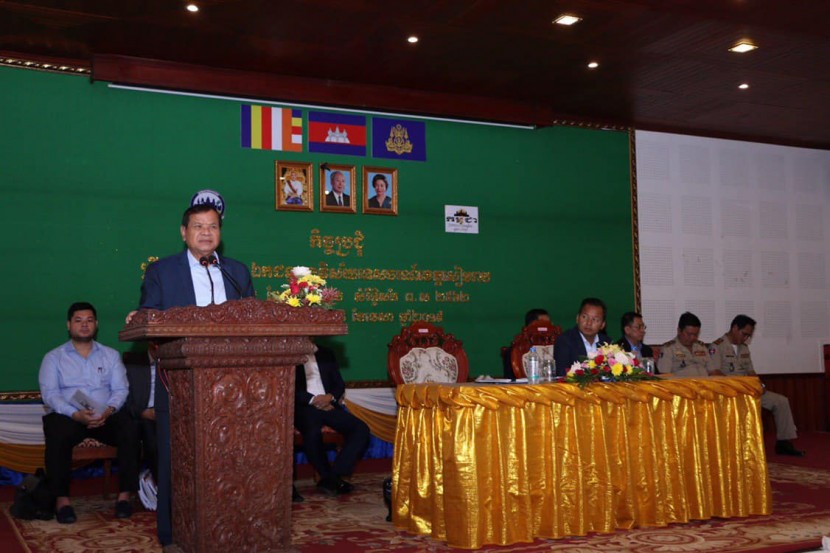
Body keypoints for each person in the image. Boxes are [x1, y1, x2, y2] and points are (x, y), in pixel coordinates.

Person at [136, 201, 255, 547]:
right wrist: (141, 317)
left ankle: (232, 527)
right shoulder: (162, 271)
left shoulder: (236, 272)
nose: (206, 233)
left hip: (232, 383)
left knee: (231, 458)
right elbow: (149, 316)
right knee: (176, 459)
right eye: (198, 226)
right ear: (184, 232)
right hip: (179, 382)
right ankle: (173, 535)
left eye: (213, 226)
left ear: (220, 233)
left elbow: (253, 319)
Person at [39, 302, 139, 524]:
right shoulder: (53, 358)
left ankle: (125, 496)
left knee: (130, 427)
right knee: (56, 430)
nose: (84, 325)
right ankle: (62, 501)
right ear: (69, 325)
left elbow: (121, 390)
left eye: (89, 320)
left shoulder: (110, 355)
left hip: (106, 416)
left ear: (96, 324)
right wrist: (74, 414)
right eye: (78, 320)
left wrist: (108, 410)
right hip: (70, 416)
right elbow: (50, 394)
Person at [709, 315, 805, 456]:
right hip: (730, 392)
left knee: (781, 401)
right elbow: (715, 373)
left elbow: (751, 371)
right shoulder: (717, 346)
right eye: (744, 334)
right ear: (735, 328)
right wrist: (737, 385)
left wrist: (760, 384)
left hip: (749, 389)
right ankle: (744, 448)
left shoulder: (744, 348)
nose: (746, 338)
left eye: (749, 335)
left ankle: (784, 443)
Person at [295, 344, 370, 496]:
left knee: (360, 429)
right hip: (305, 407)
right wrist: (313, 400)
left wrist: (330, 397)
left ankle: (333, 476)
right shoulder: (289, 353)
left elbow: (339, 384)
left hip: (328, 405)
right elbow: (289, 386)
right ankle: (327, 476)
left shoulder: (326, 353)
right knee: (312, 432)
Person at [124, 348, 158, 482]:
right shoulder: (133, 364)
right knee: (148, 433)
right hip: (143, 415)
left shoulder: (176, 362)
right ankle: (159, 485)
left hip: (170, 414)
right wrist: (142, 413)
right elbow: (124, 400)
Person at [554, 298, 611, 376]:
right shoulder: (564, 341)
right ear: (577, 318)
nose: (589, 323)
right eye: (584, 317)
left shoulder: (607, 343)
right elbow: (561, 373)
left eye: (595, 319)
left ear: (602, 325)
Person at [657, 312, 724, 377]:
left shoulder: (701, 347)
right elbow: (664, 376)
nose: (692, 338)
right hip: (683, 384)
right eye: (689, 334)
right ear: (679, 331)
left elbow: (712, 371)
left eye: (696, 334)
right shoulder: (668, 349)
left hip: (704, 383)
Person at [502, 308, 550, 379]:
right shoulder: (516, 351)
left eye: (548, 323)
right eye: (543, 323)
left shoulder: (556, 345)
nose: (548, 326)